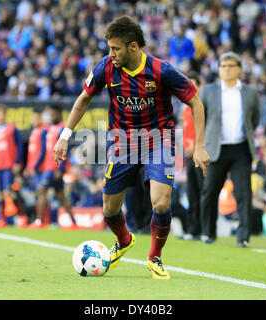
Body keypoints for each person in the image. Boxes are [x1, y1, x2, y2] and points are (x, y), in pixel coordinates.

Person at [53, 16, 210, 279]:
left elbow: (195, 102)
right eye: (109, 48)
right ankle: (124, 240)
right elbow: (83, 101)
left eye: (115, 48)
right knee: (109, 211)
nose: (111, 54)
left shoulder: (162, 71)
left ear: (133, 47)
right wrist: (64, 135)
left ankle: (155, 257)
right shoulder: (106, 67)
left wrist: (201, 146)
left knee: (160, 203)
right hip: (123, 142)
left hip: (160, 141)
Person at [199, 52, 260, 247]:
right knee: (209, 192)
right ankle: (208, 233)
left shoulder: (250, 92)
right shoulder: (208, 91)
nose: (226, 69)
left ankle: (243, 237)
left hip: (241, 149)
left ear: (239, 69)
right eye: (222, 66)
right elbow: (202, 118)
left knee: (244, 194)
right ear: (218, 69)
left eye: (230, 65)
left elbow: (255, 119)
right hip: (216, 148)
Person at [0, 104, 28, 228]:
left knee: (8, 192)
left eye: (2, 113)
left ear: (5, 115)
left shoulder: (11, 128)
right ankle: (2, 220)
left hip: (9, 165)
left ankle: (22, 216)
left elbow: (20, 146)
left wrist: (17, 162)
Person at [40, 105, 78, 229]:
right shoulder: (50, 129)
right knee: (61, 196)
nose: (49, 116)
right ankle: (74, 222)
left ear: (58, 114)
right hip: (48, 167)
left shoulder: (62, 129)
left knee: (41, 190)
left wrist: (60, 169)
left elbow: (65, 150)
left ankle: (40, 221)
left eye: (51, 114)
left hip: (54, 168)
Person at [182, 71, 204, 240]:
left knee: (203, 191)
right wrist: (187, 147)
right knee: (192, 193)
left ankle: (205, 229)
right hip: (189, 155)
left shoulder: (202, 106)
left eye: (194, 84)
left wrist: (196, 146)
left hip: (201, 155)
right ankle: (193, 229)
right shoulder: (185, 108)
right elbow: (186, 133)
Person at [25, 108, 49, 229]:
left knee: (41, 192)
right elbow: (31, 152)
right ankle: (44, 220)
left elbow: (43, 151)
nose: (34, 120)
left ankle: (40, 220)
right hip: (34, 169)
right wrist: (28, 167)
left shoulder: (43, 131)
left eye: (36, 118)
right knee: (39, 194)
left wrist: (35, 166)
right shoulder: (34, 131)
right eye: (32, 118)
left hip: (42, 168)